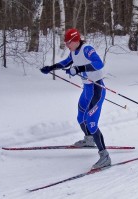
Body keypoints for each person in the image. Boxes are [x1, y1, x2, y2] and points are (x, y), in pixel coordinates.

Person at [40, 28, 111, 169]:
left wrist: (78, 69)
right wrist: (51, 67)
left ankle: (105, 157)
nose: (67, 45)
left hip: (97, 89)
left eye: (69, 42)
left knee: (91, 122)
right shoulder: (73, 52)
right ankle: (89, 139)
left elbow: (98, 63)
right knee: (81, 117)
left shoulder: (87, 49)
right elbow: (66, 62)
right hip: (87, 90)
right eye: (66, 43)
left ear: (77, 40)